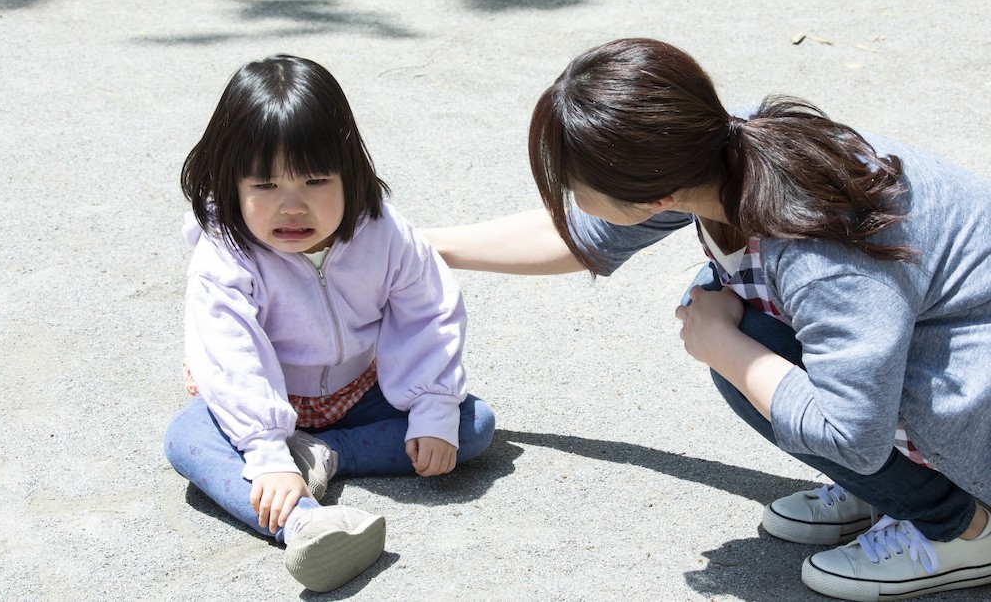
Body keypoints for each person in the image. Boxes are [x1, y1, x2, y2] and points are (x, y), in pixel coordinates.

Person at [424, 38, 991, 601]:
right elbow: (581, 236)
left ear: (655, 198)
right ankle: (890, 492)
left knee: (736, 333)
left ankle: (962, 528)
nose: (568, 196)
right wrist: (423, 247)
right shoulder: (721, 146)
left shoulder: (819, 253)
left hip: (972, 395)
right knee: (729, 310)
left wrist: (722, 345)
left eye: (573, 186)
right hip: (937, 348)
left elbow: (851, 434)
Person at [163, 55, 495, 593]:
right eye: (265, 185)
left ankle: (326, 455)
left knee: (471, 424)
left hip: (359, 391)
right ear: (231, 184)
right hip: (264, 399)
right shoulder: (225, 256)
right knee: (186, 439)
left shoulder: (383, 233)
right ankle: (303, 523)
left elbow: (429, 313)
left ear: (349, 172)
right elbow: (232, 358)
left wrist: (433, 406)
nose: (292, 207)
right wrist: (267, 454)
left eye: (315, 180)